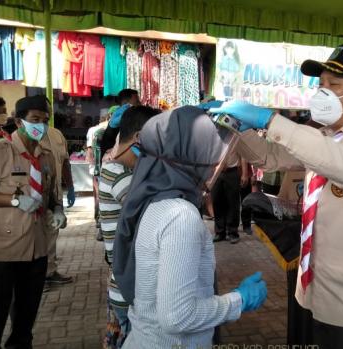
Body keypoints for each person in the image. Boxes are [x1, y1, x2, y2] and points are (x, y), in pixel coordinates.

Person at [212, 44, 343, 348]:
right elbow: (270, 156)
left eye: (334, 85)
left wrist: (272, 121)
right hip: (321, 294)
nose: (323, 92)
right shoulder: (325, 138)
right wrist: (234, 124)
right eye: (320, 85)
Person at [113, 106, 267, 347]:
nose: (218, 163)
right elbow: (177, 317)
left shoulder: (154, 198)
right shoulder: (179, 216)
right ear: (190, 156)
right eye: (211, 152)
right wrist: (239, 300)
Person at [0, 95, 66, 348]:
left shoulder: (44, 157)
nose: (40, 126)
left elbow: (51, 192)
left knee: (26, 313)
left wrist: (57, 210)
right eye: (34, 120)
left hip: (35, 248)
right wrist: (13, 200)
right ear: (19, 122)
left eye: (44, 120)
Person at [98, 106, 157, 348]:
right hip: (128, 287)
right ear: (139, 138)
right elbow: (151, 211)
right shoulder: (117, 172)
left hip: (123, 283)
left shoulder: (122, 167)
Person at [39, 96, 75, 287]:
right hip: (33, 196)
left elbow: (65, 162)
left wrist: (70, 186)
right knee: (36, 236)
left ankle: (49, 271)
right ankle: (36, 277)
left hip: (54, 193)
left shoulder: (56, 135)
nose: (46, 115)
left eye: (47, 111)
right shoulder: (18, 138)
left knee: (52, 232)